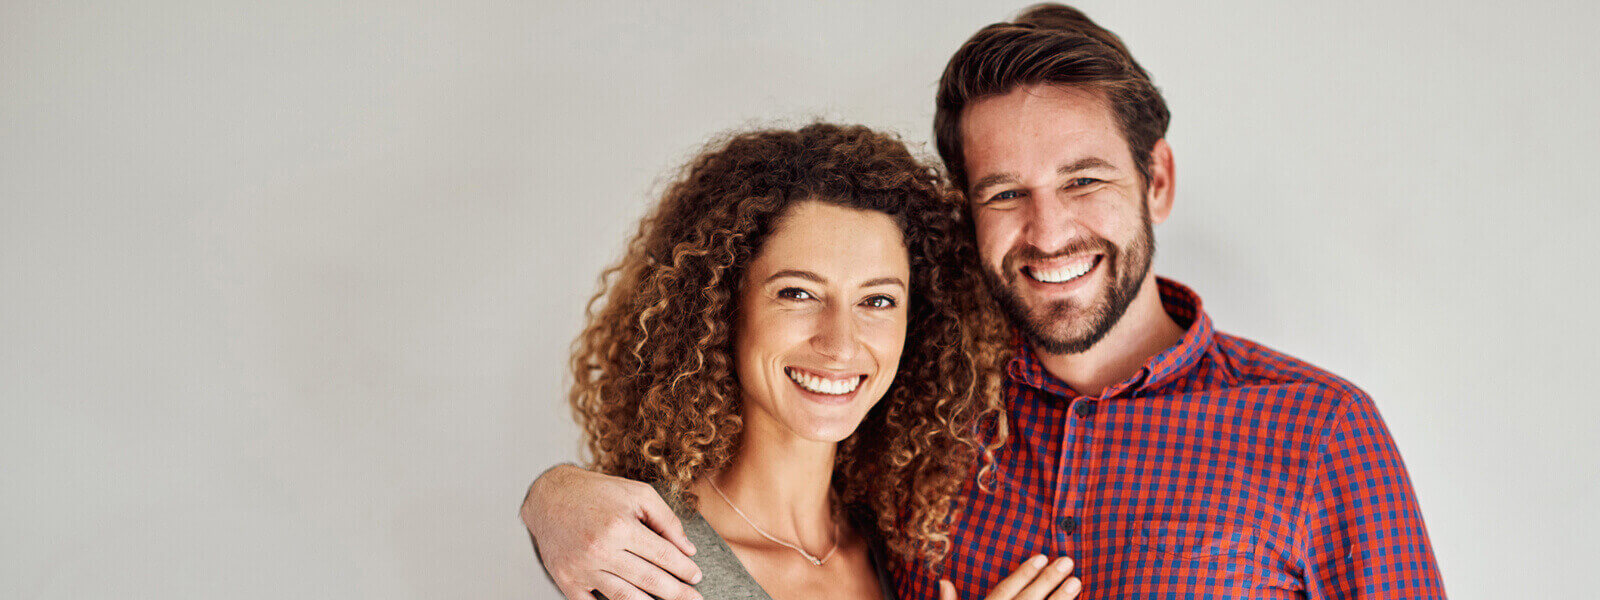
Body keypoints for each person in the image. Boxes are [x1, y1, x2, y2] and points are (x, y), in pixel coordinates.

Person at [522, 5, 1447, 599]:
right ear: (966, 212)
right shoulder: (911, 404)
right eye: (1006, 192)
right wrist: (551, 498)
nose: (1047, 233)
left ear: (1155, 179)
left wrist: (549, 498)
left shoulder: (1319, 431)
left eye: (1083, 181)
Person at [547, 122, 1084, 600]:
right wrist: (546, 496)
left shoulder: (895, 547)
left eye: (877, 301)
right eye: (798, 293)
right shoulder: (644, 563)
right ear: (719, 307)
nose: (842, 344)